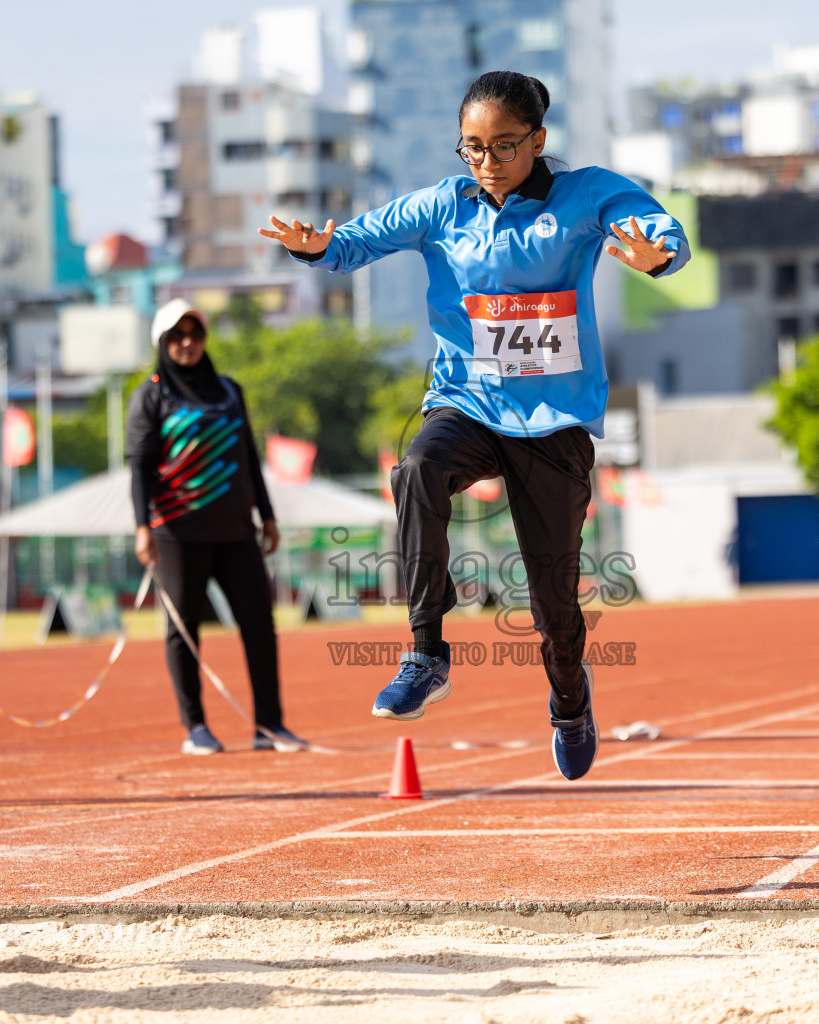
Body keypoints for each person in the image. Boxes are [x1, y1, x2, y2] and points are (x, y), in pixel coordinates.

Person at [261, 71, 688, 780]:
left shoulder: (585, 194)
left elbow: (652, 226)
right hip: (468, 399)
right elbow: (356, 241)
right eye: (472, 149)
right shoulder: (443, 205)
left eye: (504, 147)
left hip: (553, 419)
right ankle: (426, 652)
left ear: (538, 140)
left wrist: (659, 252)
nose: (487, 164)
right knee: (418, 469)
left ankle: (569, 701)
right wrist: (314, 246)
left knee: (554, 602)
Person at [126, 299, 308, 755]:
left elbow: (248, 457)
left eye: (195, 334)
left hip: (236, 531)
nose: (187, 344)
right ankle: (196, 728)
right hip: (177, 532)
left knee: (260, 626)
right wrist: (141, 526)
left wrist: (266, 515)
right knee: (183, 628)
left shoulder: (229, 391)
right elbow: (140, 467)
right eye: (176, 336)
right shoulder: (151, 395)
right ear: (162, 343)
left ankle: (270, 727)